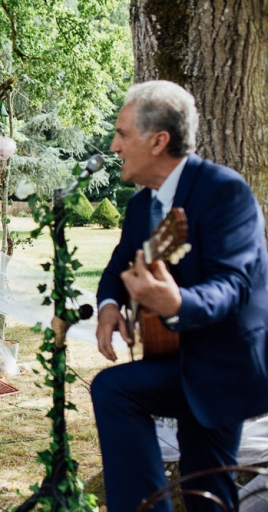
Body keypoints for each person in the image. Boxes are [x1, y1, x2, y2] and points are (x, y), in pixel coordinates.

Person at [90, 80, 268, 512]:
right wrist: (110, 306)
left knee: (207, 494)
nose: (114, 146)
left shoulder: (224, 191)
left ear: (159, 141)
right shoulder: (140, 206)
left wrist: (178, 304)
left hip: (226, 364)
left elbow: (234, 285)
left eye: (123, 134)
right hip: (173, 357)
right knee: (114, 389)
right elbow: (117, 267)